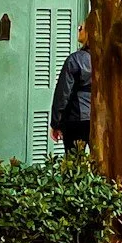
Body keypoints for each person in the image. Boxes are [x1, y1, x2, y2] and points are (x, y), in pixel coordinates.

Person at [49, 24, 95, 155]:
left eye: (82, 27)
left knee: (74, 164)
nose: (79, 29)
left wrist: (56, 122)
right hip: (100, 118)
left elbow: (63, 93)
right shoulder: (107, 60)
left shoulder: (75, 60)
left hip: (77, 118)